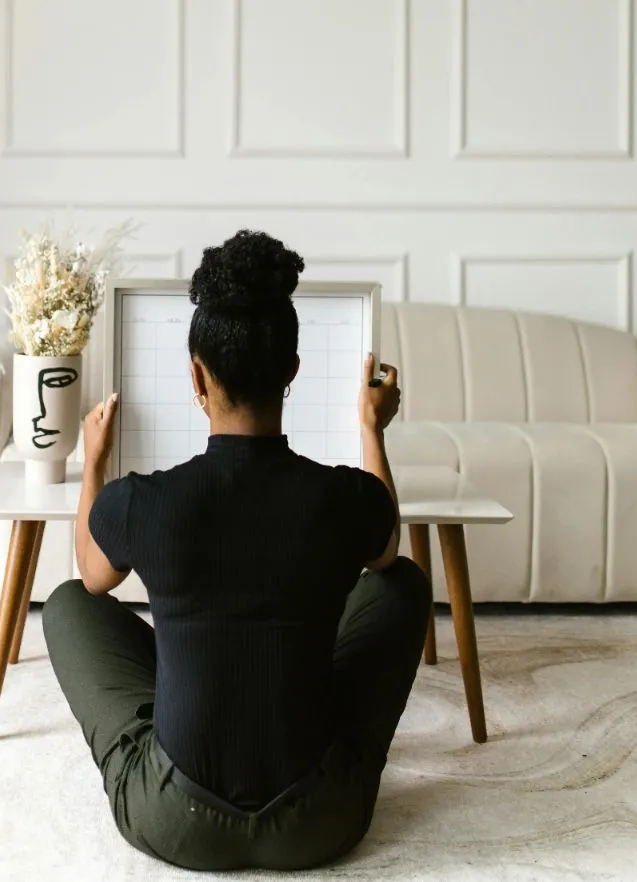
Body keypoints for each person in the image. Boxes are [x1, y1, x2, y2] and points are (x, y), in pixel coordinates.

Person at [42, 230, 432, 871]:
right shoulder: (341, 496)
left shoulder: (144, 501)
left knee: (66, 605)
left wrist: (92, 465)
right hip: (321, 821)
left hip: (178, 822)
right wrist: (371, 430)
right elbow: (388, 549)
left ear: (197, 373)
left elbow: (90, 575)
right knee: (405, 584)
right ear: (293, 372)